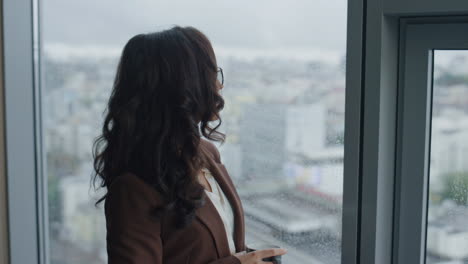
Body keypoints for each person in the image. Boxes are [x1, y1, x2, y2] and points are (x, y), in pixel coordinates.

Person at [92, 25, 287, 264]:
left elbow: (211, 246)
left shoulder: (206, 153)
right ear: (183, 87)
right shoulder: (134, 188)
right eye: (212, 75)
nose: (219, 86)